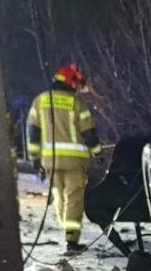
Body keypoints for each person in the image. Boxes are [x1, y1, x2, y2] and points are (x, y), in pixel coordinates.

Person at [26, 63, 102, 255]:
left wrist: (34, 158)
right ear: (71, 82)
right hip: (74, 161)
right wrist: (98, 153)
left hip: (50, 161)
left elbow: (33, 132)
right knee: (74, 198)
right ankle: (71, 238)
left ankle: (65, 228)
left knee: (59, 196)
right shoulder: (77, 104)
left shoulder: (40, 101)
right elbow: (89, 133)